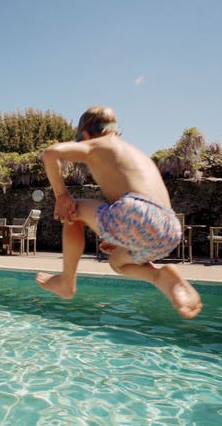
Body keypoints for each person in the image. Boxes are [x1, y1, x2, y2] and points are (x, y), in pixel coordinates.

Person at [35, 105, 202, 319]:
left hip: (136, 214)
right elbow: (148, 214)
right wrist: (124, 236)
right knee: (117, 263)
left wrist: (61, 195)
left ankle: (66, 282)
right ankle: (160, 277)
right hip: (169, 230)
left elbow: (51, 153)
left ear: (85, 135)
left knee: (71, 212)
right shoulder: (137, 153)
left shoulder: (98, 144)